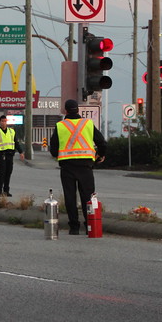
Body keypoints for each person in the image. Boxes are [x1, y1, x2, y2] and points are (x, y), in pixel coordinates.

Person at [50, 99, 107, 234]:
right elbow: (102, 143)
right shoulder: (87, 124)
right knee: (88, 197)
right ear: (78, 110)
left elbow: (53, 150)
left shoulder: (60, 126)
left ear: (66, 110)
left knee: (70, 197)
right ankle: (90, 226)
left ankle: (74, 227)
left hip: (67, 166)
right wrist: (100, 156)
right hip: (85, 166)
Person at [0, 114, 25, 197]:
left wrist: (21, 152)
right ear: (0, 122)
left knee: (8, 173)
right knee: (1, 173)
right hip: (1, 155)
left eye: (5, 121)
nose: (4, 123)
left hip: (10, 155)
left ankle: (6, 191)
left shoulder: (11, 132)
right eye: (2, 121)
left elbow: (16, 143)